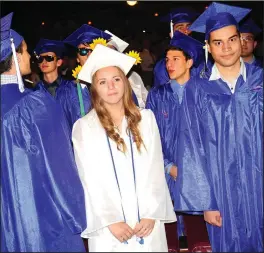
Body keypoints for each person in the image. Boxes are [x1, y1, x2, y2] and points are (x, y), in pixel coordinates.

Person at [174, 2, 263, 252]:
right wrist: (206, 202)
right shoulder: (197, 89)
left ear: (241, 41)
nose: (226, 48)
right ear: (209, 47)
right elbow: (191, 145)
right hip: (220, 191)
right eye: (218, 42)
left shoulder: (260, 81)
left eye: (232, 39)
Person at [72, 44, 176, 252]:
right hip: (108, 228)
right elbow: (88, 178)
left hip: (147, 223)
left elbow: (155, 168)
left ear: (126, 83)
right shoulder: (84, 127)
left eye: (116, 79)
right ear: (95, 88)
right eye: (103, 82)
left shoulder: (145, 119)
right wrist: (110, 220)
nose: (111, 87)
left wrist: (151, 213)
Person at [1, 12, 86, 252]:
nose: (30, 57)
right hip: (40, 214)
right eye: (25, 51)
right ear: (15, 56)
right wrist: (77, 213)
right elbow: (59, 169)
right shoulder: (34, 104)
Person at [146, 31, 210, 252]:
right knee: (170, 240)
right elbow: (149, 138)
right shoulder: (156, 95)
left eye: (176, 59)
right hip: (166, 175)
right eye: (167, 60)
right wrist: (167, 166)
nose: (169, 65)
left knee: (200, 239)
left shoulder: (205, 92)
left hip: (200, 176)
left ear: (190, 62)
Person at [64, 24, 140, 107]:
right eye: (83, 51)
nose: (89, 55)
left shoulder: (119, 85)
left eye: (93, 50)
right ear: (77, 59)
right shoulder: (68, 91)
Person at [34, 38, 91, 130]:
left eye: (49, 58)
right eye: (40, 59)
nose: (44, 62)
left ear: (59, 62)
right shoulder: (33, 93)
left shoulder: (73, 88)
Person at [106, 30, 148, 108]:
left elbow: (146, 99)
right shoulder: (100, 82)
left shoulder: (133, 76)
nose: (110, 55)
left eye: (113, 51)